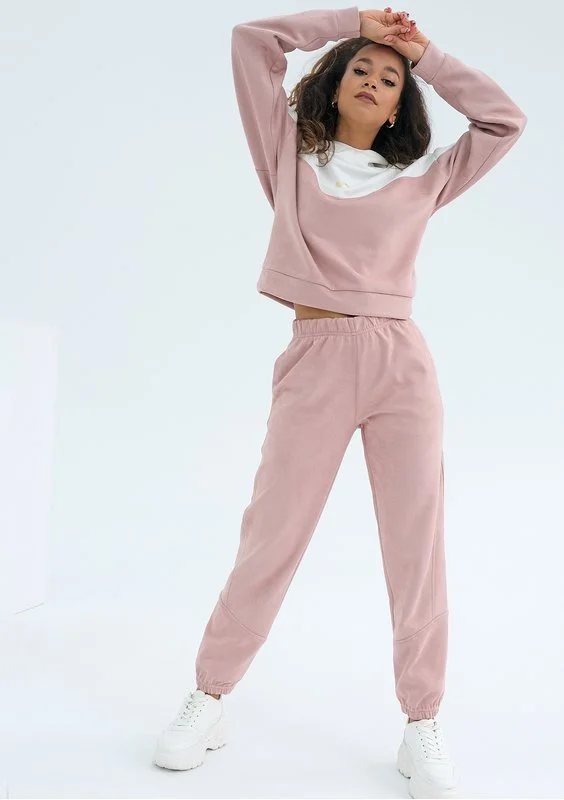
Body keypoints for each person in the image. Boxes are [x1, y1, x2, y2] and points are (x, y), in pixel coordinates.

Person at [152, 6, 527, 796]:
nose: (374, 79)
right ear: (333, 82)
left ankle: (422, 719)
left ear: (398, 107)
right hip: (316, 358)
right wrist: (354, 21)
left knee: (416, 546)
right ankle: (209, 696)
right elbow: (253, 43)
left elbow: (503, 119)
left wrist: (427, 55)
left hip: (400, 364)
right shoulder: (289, 153)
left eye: (390, 79)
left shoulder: (424, 178)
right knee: (272, 535)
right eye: (362, 66)